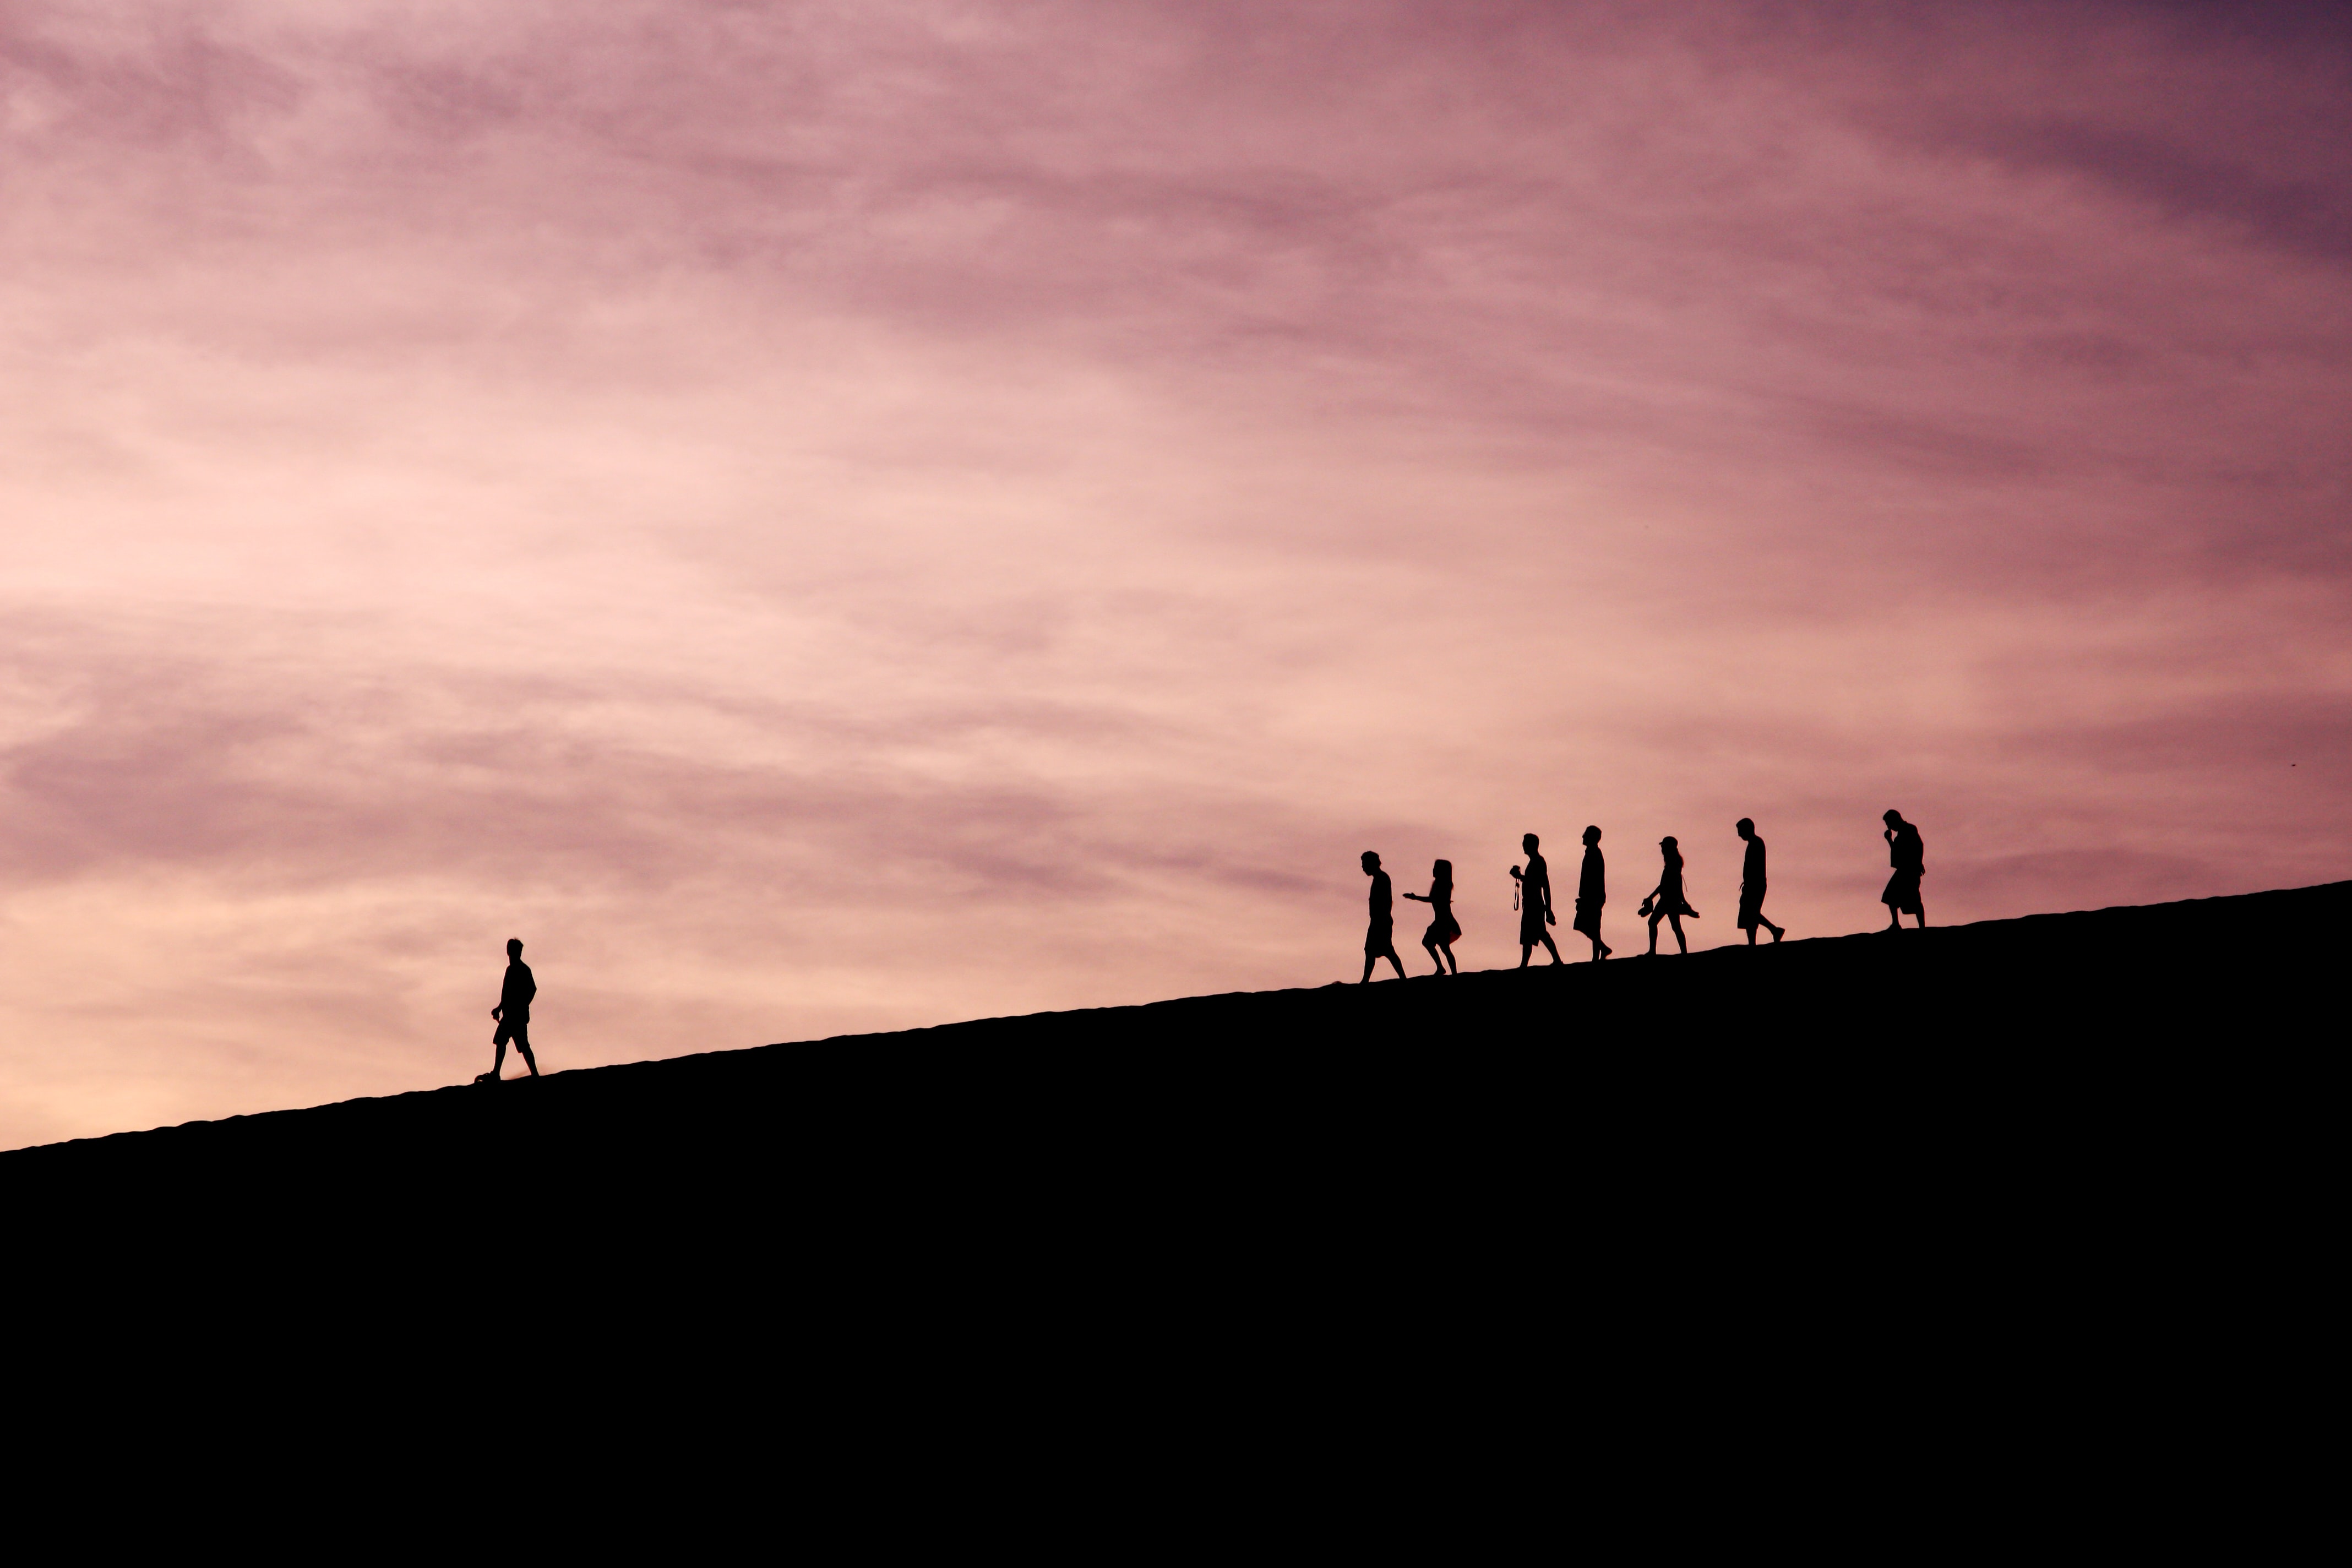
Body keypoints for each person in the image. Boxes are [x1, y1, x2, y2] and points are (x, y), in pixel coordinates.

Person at [480, 938, 540, 1084]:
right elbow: (507, 995)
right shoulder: (511, 970)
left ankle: (535, 1075)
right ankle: (497, 1073)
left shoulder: (523, 970)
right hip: (510, 1015)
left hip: (517, 1016)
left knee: (522, 1045)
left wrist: (522, 1005)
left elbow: (532, 989)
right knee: (502, 1041)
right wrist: (499, 1008)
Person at [1638, 836, 1700, 955]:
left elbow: (1667, 885)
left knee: (1654, 923)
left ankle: (1653, 951)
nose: (1661, 849)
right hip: (1670, 900)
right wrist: (1684, 902)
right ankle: (1683, 952)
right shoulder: (1675, 862)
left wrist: (1651, 898)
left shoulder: (1673, 863)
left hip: (1668, 901)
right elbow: (1675, 885)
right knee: (1676, 927)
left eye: (1663, 846)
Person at [1509, 833, 1562, 968]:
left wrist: (1520, 876)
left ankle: (1555, 960)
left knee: (1539, 934)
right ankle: (1525, 964)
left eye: (1525, 843)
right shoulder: (1534, 862)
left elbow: (1542, 884)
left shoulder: (1539, 862)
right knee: (1530, 935)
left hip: (1535, 905)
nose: (1523, 845)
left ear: (1532, 845)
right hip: (1532, 904)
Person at [1401, 859, 1461, 975]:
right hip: (1441, 920)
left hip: (1444, 921)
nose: (1433, 870)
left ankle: (1452, 972)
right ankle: (1444, 969)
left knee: (1443, 947)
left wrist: (1416, 898)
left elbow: (1434, 899)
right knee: (1434, 945)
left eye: (1436, 868)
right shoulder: (1439, 884)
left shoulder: (1444, 884)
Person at [1734, 818, 1785, 945]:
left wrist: (1750, 883)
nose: (1739, 834)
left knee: (1751, 912)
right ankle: (1755, 941)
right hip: (1753, 883)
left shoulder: (1756, 843)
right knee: (1750, 914)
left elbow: (1755, 866)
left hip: (1756, 884)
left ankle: (1774, 930)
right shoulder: (1754, 843)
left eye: (1741, 831)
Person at [1360, 852, 1408, 983]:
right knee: (1377, 950)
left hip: (1381, 921)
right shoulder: (1380, 878)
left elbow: (1386, 901)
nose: (1363, 867)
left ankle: (1366, 980)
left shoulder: (1382, 878)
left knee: (1383, 950)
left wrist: (1381, 919)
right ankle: (1366, 980)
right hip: (1379, 920)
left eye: (1365, 864)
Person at [1881, 810, 1926, 930]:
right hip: (1903, 870)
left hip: (1910, 870)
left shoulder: (1910, 829)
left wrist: (1919, 862)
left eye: (1889, 823)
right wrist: (1890, 840)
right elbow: (1897, 851)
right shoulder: (1900, 835)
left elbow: (1919, 846)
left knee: (1915, 898)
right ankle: (1896, 924)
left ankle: (1922, 927)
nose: (1889, 826)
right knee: (1891, 895)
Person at [1572, 825, 1610, 960]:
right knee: (1592, 927)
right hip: (1593, 896)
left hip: (1593, 896)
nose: (1583, 836)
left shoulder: (1594, 854)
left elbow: (1593, 878)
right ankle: (1599, 954)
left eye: (1586, 834)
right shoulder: (1591, 853)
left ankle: (1601, 951)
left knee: (1585, 925)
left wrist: (1585, 898)